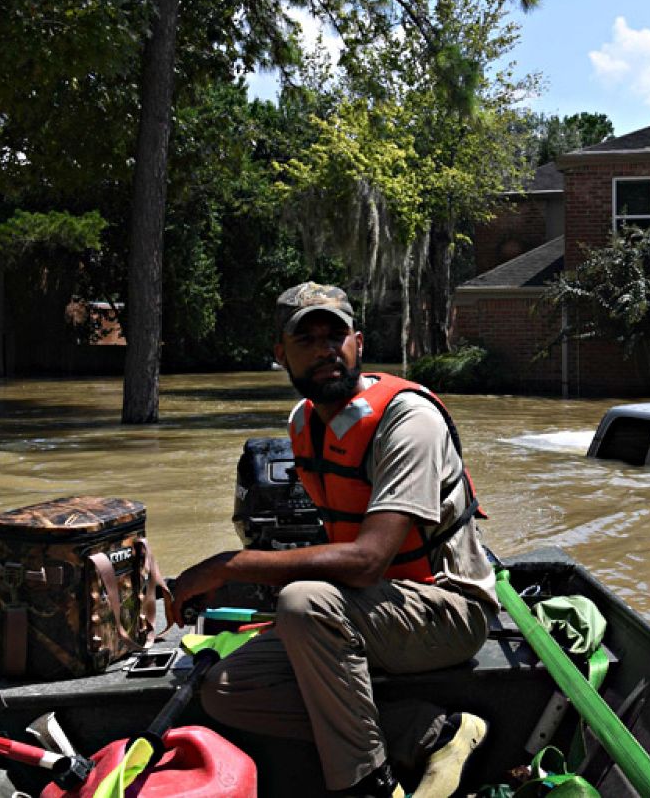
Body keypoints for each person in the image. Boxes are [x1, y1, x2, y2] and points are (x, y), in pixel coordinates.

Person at [167, 282, 498, 798]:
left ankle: (368, 784)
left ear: (357, 343)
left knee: (303, 602)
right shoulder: (305, 422)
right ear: (281, 354)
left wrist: (229, 566)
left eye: (335, 336)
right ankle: (433, 732)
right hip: (370, 610)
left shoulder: (408, 420)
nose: (324, 350)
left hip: (447, 611)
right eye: (306, 340)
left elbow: (367, 561)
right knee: (228, 690)